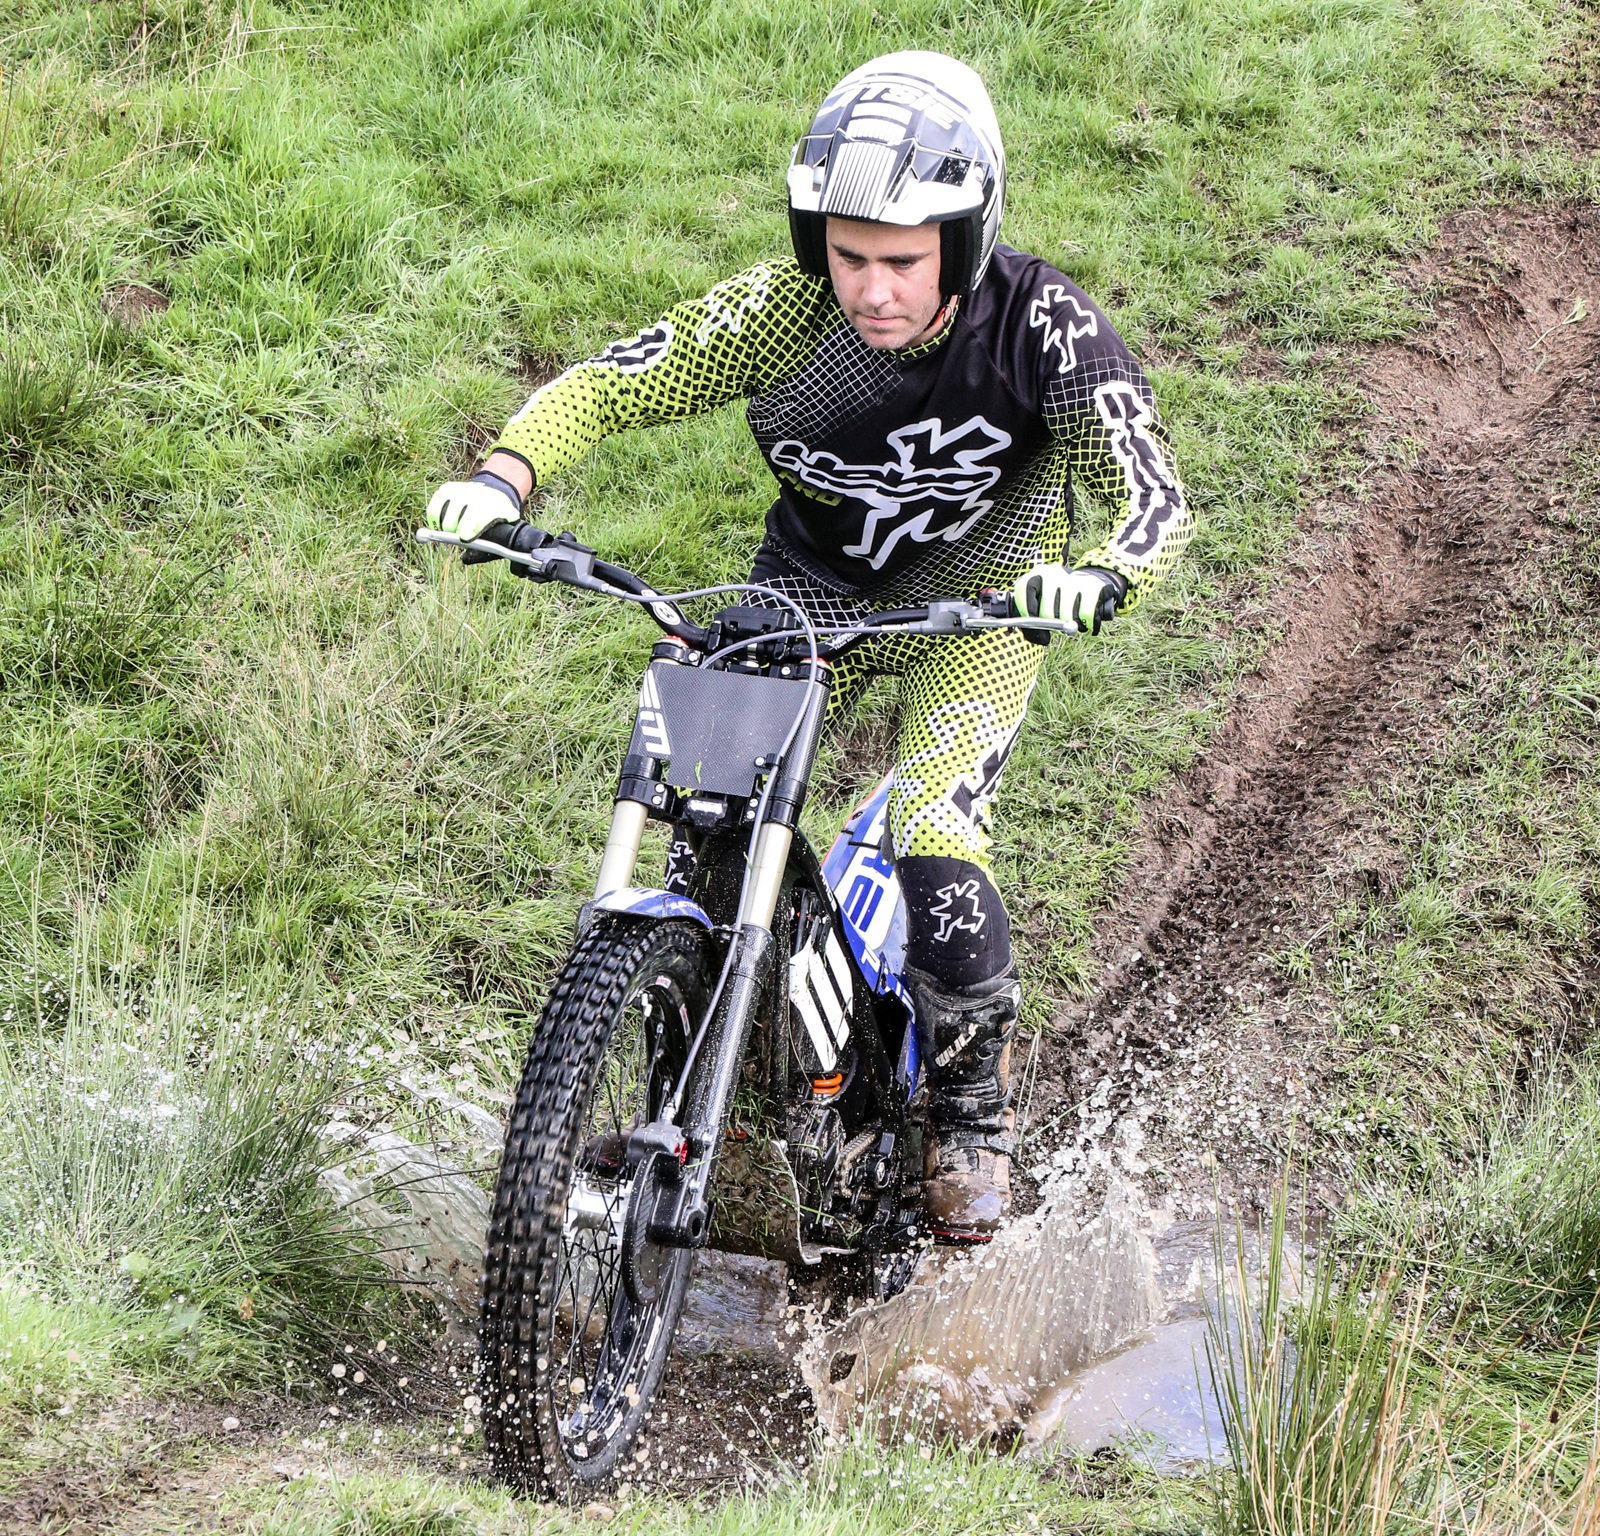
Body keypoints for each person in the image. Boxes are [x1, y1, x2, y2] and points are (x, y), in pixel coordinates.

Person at [426, 51, 1191, 1240]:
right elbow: (618, 382)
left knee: (938, 827)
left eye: (900, 260)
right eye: (846, 257)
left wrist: (1100, 576)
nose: (871, 290)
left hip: (976, 611)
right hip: (810, 594)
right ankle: (706, 1086)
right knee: (709, 819)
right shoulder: (788, 319)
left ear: (968, 234)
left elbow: (1152, 496)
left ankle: (967, 1112)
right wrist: (501, 475)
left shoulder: (1043, 324)